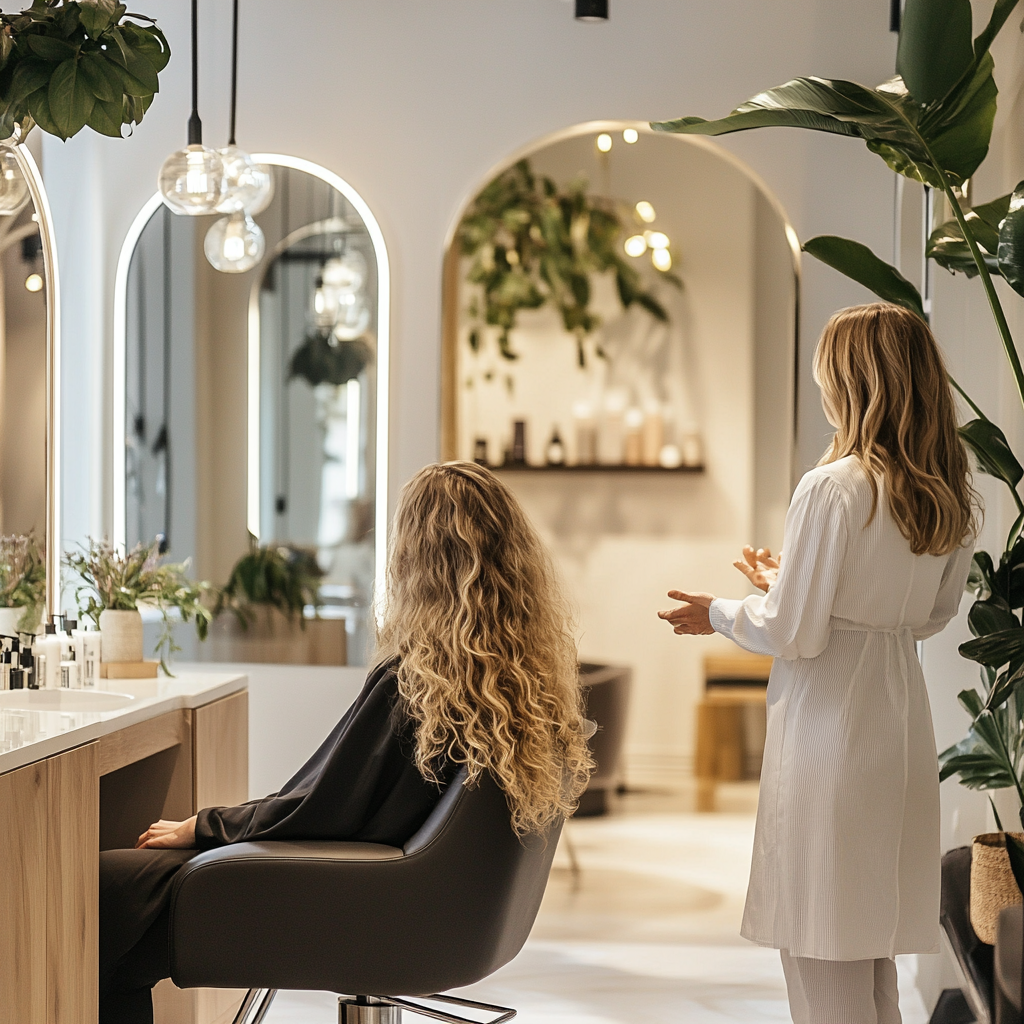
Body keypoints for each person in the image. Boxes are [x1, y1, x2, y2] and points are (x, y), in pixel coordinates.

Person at [100, 461, 594, 1024]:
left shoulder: (418, 680)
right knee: (126, 932)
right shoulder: (519, 686)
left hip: (366, 902)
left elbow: (320, 809)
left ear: (417, 561)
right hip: (442, 916)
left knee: (104, 889)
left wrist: (206, 826)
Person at [658, 303, 977, 1024]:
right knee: (869, 964)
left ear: (853, 381)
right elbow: (923, 615)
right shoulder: (946, 493)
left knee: (819, 957)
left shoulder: (832, 486)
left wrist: (718, 610)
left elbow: (794, 633)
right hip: (896, 728)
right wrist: (790, 581)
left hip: (829, 736)